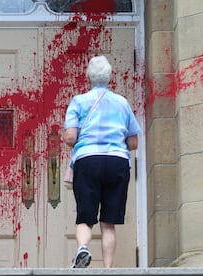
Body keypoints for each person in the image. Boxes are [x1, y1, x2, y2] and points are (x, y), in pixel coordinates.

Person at [63, 55, 141, 268]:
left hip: (88, 160)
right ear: (110, 76)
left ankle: (83, 249)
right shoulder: (122, 103)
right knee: (108, 222)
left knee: (86, 216)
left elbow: (70, 137)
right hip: (117, 162)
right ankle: (108, 269)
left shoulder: (78, 101)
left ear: (88, 76)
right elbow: (133, 142)